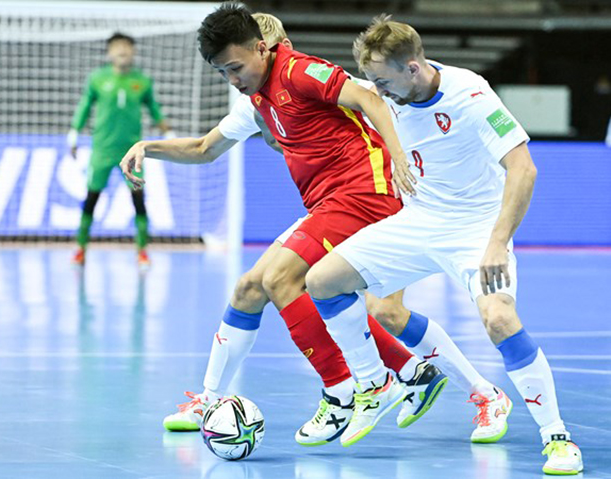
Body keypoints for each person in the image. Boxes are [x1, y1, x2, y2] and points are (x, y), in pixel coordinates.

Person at [121, 8, 461, 448]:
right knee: (251, 287)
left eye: (236, 68)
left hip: (363, 192)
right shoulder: (256, 98)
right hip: (328, 203)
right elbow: (205, 149)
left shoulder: (301, 73)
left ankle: (343, 392)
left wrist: (398, 156)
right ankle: (408, 371)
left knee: (284, 278)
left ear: (264, 48)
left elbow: (372, 99)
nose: (232, 79)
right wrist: (147, 147)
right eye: (223, 72)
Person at [304, 15, 582, 474]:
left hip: (476, 229)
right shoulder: (387, 89)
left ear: (413, 67)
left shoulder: (470, 95)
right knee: (323, 281)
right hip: (418, 221)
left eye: (383, 81)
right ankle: (374, 384)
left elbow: (524, 170)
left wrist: (496, 243)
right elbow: (331, 88)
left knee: (498, 319)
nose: (378, 91)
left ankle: (556, 437)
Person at [68, 32, 172, 267]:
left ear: (133, 51)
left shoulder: (142, 81)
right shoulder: (97, 79)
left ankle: (142, 250)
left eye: (127, 46)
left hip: (132, 152)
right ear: (109, 52)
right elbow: (84, 106)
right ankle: (80, 248)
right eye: (117, 47)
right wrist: (73, 133)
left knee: (138, 199)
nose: (122, 51)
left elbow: (155, 110)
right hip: (103, 151)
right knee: (91, 198)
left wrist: (168, 134)